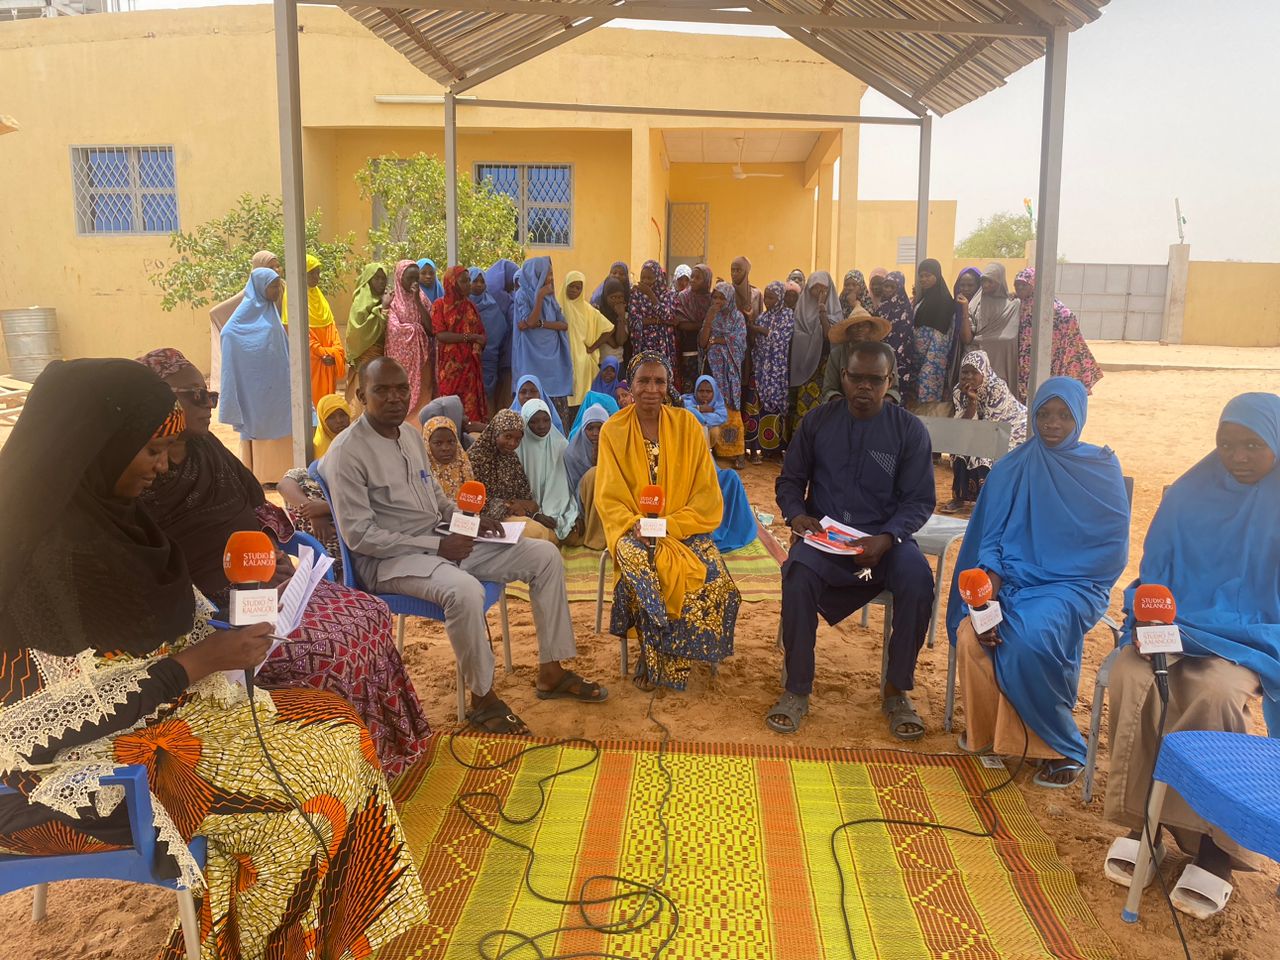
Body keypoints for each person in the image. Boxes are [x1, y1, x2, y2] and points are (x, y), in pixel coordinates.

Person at [0, 359, 430, 958]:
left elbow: (169, 628)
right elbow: (37, 732)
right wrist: (201, 661)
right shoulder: (42, 562)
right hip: (86, 777)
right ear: (98, 446)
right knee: (300, 804)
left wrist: (244, 616)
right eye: (152, 449)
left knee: (339, 728)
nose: (167, 465)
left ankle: (321, 938)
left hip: (171, 722)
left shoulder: (119, 524)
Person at [137, 348, 431, 777]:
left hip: (264, 582)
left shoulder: (207, 449)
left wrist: (274, 552)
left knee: (368, 611)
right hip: (207, 607)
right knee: (328, 651)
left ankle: (384, 752)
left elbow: (259, 507)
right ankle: (336, 774)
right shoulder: (138, 474)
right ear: (157, 403)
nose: (206, 404)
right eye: (193, 395)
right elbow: (152, 568)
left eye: (208, 394)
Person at [322, 357, 608, 733]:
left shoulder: (410, 435)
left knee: (544, 555)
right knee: (466, 592)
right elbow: (360, 536)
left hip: (443, 542)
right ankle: (483, 698)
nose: (394, 398)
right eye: (382, 390)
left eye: (401, 389)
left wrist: (469, 522)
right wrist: (438, 545)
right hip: (391, 561)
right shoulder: (346, 453)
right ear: (361, 396)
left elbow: (437, 499)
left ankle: (551, 671)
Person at [1104, 393, 1280, 918]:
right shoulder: (1186, 493)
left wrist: (1229, 627)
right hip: (1176, 626)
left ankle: (1215, 847)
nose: (1238, 456)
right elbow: (1153, 571)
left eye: (1253, 444)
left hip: (1252, 636)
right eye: (1227, 444)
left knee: (1214, 691)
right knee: (1131, 677)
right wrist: (1147, 617)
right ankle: (1146, 824)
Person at [946, 377, 1129, 787]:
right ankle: (995, 735)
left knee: (1028, 638)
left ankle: (1059, 745)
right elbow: (990, 540)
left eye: (1064, 415)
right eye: (1044, 413)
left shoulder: (1100, 468)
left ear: (1079, 416)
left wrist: (1056, 576)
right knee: (971, 632)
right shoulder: (1013, 467)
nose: (1052, 423)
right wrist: (988, 593)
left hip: (1075, 585)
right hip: (1013, 580)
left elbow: (1110, 552)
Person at [770, 341, 936, 739]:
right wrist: (797, 516)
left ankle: (897, 691)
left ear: (889, 382)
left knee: (918, 580)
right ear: (843, 377)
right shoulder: (817, 422)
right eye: (856, 377)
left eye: (874, 380)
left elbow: (919, 501)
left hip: (885, 542)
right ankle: (796, 690)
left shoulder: (909, 431)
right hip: (826, 539)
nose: (865, 387)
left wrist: (888, 537)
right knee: (797, 574)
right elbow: (789, 481)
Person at [595, 353, 741, 691]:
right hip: (633, 530)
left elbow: (706, 496)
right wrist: (636, 525)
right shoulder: (612, 431)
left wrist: (668, 526)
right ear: (629, 386)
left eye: (659, 381)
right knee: (641, 562)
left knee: (716, 580)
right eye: (643, 381)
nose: (651, 388)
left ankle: (665, 647)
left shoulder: (688, 425)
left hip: (683, 528)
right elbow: (608, 496)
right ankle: (655, 647)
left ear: (668, 385)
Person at [218, 265, 293, 485]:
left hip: (278, 383)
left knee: (285, 424)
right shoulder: (245, 313)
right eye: (272, 287)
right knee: (261, 425)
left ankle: (283, 472)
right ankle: (264, 475)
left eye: (278, 287)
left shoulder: (271, 312)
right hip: (256, 387)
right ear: (260, 288)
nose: (277, 292)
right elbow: (229, 333)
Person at [941, 349, 1027, 513]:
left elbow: (990, 429)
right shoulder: (959, 391)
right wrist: (972, 402)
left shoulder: (997, 387)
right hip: (981, 426)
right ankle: (960, 497)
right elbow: (963, 424)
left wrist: (972, 437)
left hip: (1013, 426)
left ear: (984, 372)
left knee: (984, 451)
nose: (968, 377)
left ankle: (986, 501)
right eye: (964, 372)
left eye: (974, 372)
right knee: (959, 447)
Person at [278, 394, 352, 573]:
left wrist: (326, 508)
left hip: (351, 536)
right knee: (305, 486)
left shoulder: (358, 447)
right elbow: (284, 484)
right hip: (320, 534)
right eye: (331, 417)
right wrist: (312, 510)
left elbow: (368, 496)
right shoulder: (318, 448)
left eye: (343, 415)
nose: (339, 421)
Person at [1014, 267, 1104, 402]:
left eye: (1024, 285)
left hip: (1047, 356)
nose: (1020, 288)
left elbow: (1067, 318)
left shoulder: (1049, 305)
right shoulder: (1019, 304)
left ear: (1034, 285)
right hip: (1025, 359)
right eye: (1017, 285)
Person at [469, 408, 558, 541]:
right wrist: (508, 506)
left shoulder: (511, 458)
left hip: (515, 513)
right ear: (495, 433)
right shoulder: (475, 458)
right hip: (488, 520)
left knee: (551, 533)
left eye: (517, 439)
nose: (512, 444)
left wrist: (532, 512)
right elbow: (474, 501)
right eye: (508, 437)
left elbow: (524, 493)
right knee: (536, 533)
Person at [513, 256, 573, 425]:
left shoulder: (550, 296)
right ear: (537, 273)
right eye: (549, 274)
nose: (551, 278)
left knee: (556, 403)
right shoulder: (522, 294)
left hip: (552, 357)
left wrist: (541, 324)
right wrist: (539, 297)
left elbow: (563, 325)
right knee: (533, 396)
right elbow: (528, 321)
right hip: (531, 356)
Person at [282, 253, 346, 404]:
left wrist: (335, 352)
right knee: (310, 406)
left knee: (327, 406)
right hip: (311, 364)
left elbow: (332, 329)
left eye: (318, 272)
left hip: (327, 364)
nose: (317, 276)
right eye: (312, 273)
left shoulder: (320, 297)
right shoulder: (293, 298)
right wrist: (322, 353)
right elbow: (297, 334)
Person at [517, 397, 581, 543]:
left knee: (568, 534)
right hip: (527, 510)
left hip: (557, 510)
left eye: (546, 420)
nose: (541, 426)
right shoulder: (517, 447)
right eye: (534, 421)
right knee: (530, 533)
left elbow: (565, 487)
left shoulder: (561, 445)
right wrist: (535, 513)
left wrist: (553, 513)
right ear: (525, 422)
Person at [787, 270, 839, 440]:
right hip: (806, 368)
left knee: (824, 408)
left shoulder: (835, 313)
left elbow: (829, 335)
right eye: (815, 289)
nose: (819, 294)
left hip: (826, 368)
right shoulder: (800, 312)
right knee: (804, 407)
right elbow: (797, 338)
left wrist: (822, 310)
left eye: (823, 290)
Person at [431, 265, 488, 422]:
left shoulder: (470, 307)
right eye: (464, 281)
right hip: (450, 369)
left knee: (470, 413)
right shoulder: (439, 306)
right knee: (449, 409)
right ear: (452, 283)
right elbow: (441, 335)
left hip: (470, 368)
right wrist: (470, 337)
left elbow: (481, 333)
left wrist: (480, 341)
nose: (468, 284)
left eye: (469, 280)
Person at [702, 281, 749, 468]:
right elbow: (703, 342)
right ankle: (715, 449)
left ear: (729, 298)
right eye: (715, 297)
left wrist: (718, 340)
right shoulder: (711, 316)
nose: (718, 301)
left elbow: (740, 344)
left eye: (722, 297)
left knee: (731, 410)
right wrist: (709, 319)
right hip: (712, 369)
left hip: (730, 372)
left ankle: (737, 453)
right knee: (712, 407)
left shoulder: (737, 318)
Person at [750, 280, 795, 460]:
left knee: (777, 404)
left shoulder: (788, 315)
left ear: (780, 298)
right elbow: (758, 344)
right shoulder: (762, 317)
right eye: (766, 297)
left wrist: (761, 330)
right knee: (762, 405)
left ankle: (776, 449)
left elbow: (781, 339)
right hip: (762, 369)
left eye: (771, 297)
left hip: (777, 369)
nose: (767, 301)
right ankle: (764, 447)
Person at [822, 306, 900, 406]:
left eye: (864, 325)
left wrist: (879, 405)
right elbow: (829, 389)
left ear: (871, 330)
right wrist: (848, 406)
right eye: (855, 326)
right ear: (848, 331)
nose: (859, 329)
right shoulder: (837, 354)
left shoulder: (886, 351)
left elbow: (894, 389)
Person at [961, 262, 1021, 390]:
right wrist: (965, 310)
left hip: (1001, 364)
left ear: (1000, 282)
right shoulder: (975, 304)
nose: (985, 285)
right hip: (977, 363)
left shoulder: (1013, 305)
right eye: (983, 280)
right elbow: (967, 339)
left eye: (991, 281)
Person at [386, 259, 433, 417]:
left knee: (424, 399)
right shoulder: (393, 302)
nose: (414, 282)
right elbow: (393, 330)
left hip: (422, 360)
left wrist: (417, 301)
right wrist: (415, 329)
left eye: (416, 278)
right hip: (402, 363)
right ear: (400, 278)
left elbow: (431, 327)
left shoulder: (422, 298)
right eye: (409, 278)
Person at [563, 269, 616, 407]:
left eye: (578, 287)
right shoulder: (558, 307)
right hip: (563, 359)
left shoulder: (588, 310)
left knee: (581, 400)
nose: (574, 290)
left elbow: (609, 328)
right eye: (571, 286)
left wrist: (593, 347)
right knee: (565, 399)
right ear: (565, 286)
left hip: (582, 361)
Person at [910, 258, 956, 415]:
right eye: (921, 276)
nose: (923, 279)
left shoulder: (944, 301)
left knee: (928, 406)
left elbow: (941, 339)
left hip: (932, 358)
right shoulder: (924, 298)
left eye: (928, 275)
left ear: (937, 275)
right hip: (917, 358)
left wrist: (929, 367)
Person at [564, 403, 609, 550]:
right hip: (582, 502)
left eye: (600, 427)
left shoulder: (614, 447)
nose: (595, 433)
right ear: (583, 429)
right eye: (590, 428)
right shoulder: (572, 453)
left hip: (610, 497)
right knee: (594, 475)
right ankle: (596, 536)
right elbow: (570, 487)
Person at [346, 261, 390, 406]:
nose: (381, 282)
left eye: (383, 279)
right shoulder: (360, 304)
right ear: (368, 280)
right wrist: (382, 310)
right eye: (376, 278)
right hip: (366, 356)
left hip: (384, 356)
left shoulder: (388, 299)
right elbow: (358, 333)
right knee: (366, 392)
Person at [627, 259, 679, 371]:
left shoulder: (668, 295)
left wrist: (651, 295)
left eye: (649, 278)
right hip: (643, 343)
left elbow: (669, 317)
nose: (645, 281)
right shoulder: (636, 294)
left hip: (663, 345)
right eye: (643, 278)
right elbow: (633, 321)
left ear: (659, 278)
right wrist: (659, 321)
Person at [875, 270, 919, 403]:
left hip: (900, 359)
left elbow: (905, 336)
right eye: (886, 286)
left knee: (896, 394)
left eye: (892, 287)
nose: (887, 289)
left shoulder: (905, 308)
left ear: (899, 288)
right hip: (880, 357)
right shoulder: (881, 307)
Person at [483, 258, 519, 411]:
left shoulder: (509, 297)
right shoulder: (500, 298)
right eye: (513, 279)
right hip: (497, 355)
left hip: (504, 354)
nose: (514, 284)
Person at [672, 263, 713, 391]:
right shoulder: (684, 297)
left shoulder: (712, 299)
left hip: (709, 349)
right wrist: (706, 324)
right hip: (689, 347)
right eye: (692, 277)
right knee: (689, 384)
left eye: (698, 278)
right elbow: (682, 324)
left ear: (707, 280)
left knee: (706, 384)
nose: (693, 280)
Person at [422, 412, 474, 501]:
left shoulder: (464, 466)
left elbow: (472, 503)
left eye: (451, 442)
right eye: (438, 443)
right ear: (427, 444)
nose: (445, 448)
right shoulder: (422, 471)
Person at [682, 374, 728, 448]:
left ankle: (706, 452)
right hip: (690, 433)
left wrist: (698, 415)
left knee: (715, 431)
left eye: (708, 391)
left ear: (714, 392)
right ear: (696, 391)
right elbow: (684, 411)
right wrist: (699, 408)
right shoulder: (688, 400)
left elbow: (722, 417)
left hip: (708, 435)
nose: (704, 394)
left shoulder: (717, 402)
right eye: (701, 391)